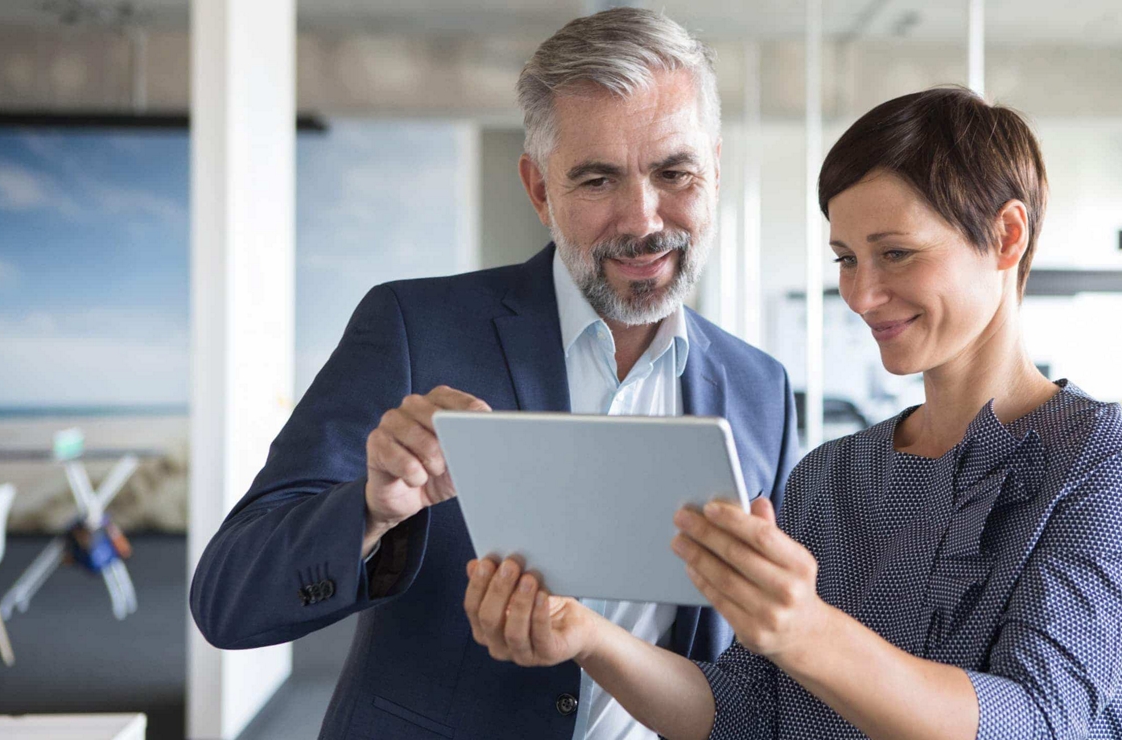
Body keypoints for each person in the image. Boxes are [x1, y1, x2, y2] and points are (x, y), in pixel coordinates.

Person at [464, 87, 1122, 740]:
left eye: (895, 254)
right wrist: (588, 635)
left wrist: (806, 631)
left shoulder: (1103, 465)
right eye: (845, 258)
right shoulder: (830, 476)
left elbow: (1038, 721)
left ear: (1007, 236)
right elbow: (742, 713)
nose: (862, 296)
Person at [189, 9, 798, 740]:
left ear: (715, 171)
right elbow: (228, 599)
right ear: (540, 190)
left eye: (674, 172)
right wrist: (373, 511)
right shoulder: (414, 330)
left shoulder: (761, 388)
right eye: (598, 179)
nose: (642, 219)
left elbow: (763, 666)